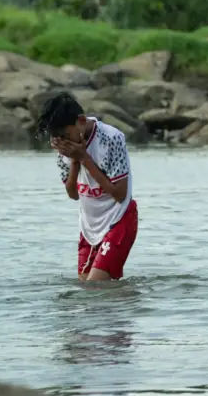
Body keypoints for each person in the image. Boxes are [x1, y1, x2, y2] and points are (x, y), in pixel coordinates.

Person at [36, 92, 138, 281]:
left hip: (119, 219)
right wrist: (75, 161)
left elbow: (120, 194)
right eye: (58, 138)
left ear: (81, 121)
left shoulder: (112, 139)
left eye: (66, 135)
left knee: (95, 286)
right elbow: (73, 194)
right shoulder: (63, 145)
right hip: (89, 227)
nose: (63, 142)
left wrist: (85, 158)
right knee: (86, 293)